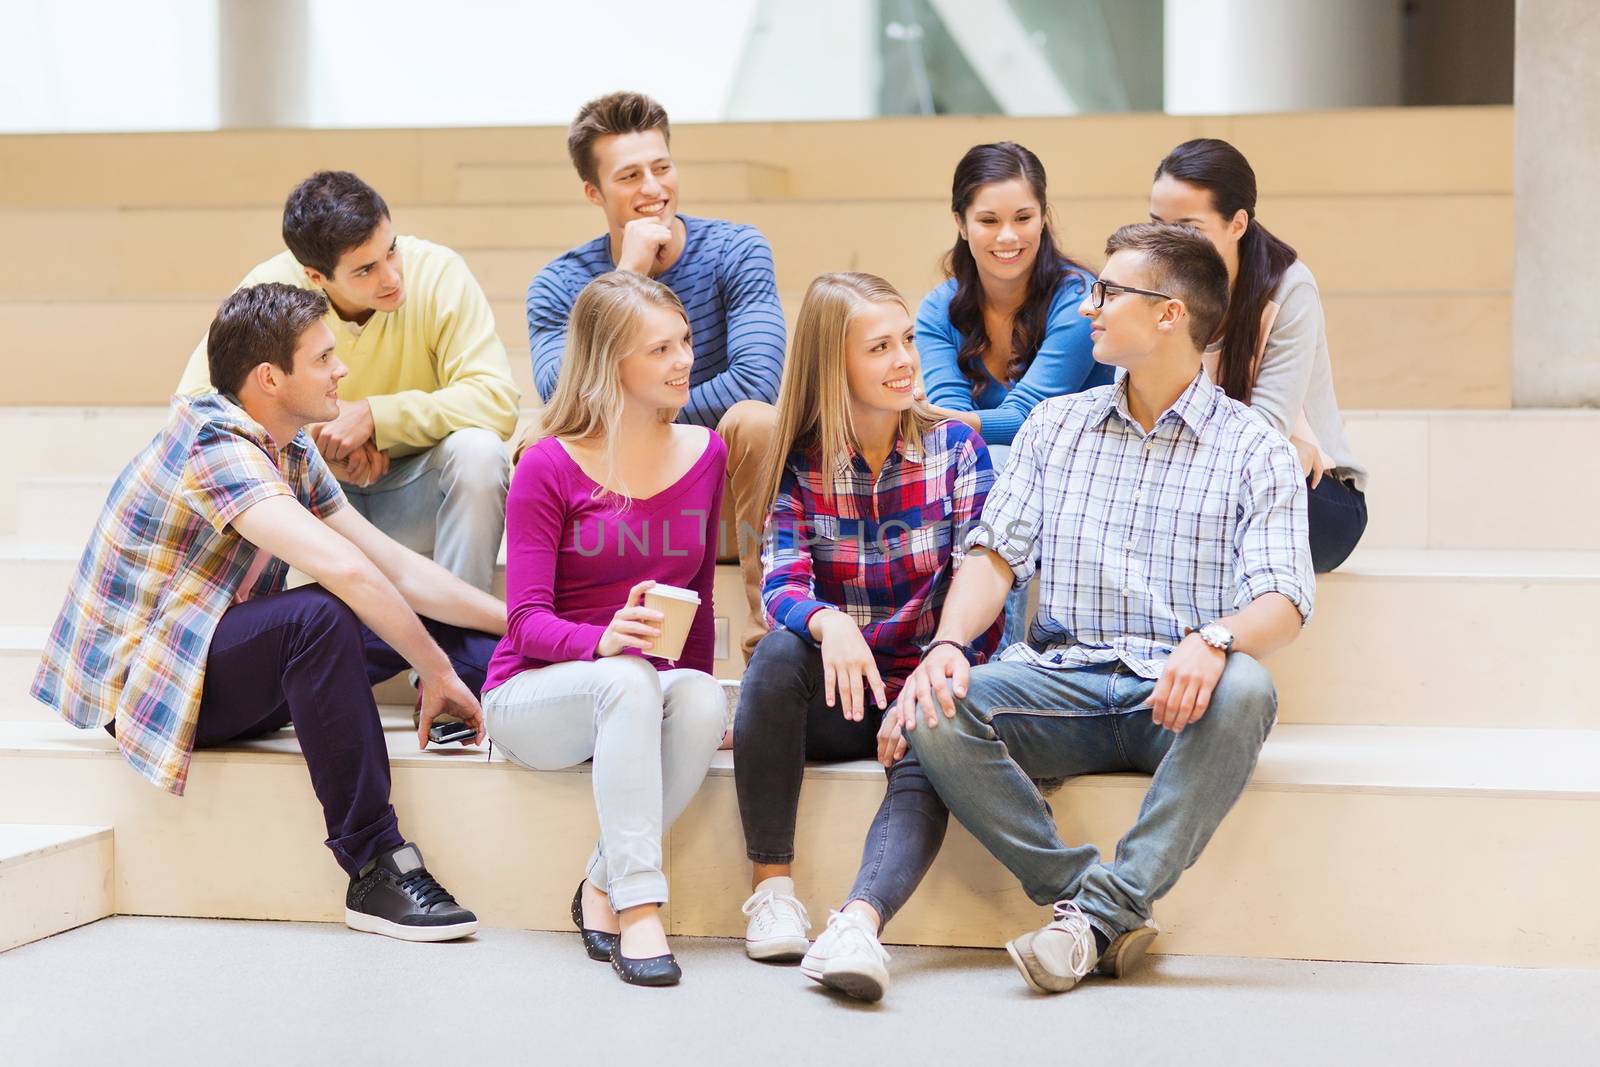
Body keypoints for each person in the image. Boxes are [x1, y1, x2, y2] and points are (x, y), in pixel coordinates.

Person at [895, 223, 1314, 995]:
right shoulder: (1058, 426)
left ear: (1169, 315)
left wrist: (1216, 639)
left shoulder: (1255, 446)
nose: (1089, 306)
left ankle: (1094, 915)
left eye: (1109, 291)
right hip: (1063, 680)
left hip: (1176, 696)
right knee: (937, 702)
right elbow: (995, 554)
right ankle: (1095, 905)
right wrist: (950, 642)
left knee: (1249, 688)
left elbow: (1285, 599)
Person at [35, 283, 506, 942]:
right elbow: (345, 570)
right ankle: (374, 867)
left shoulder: (288, 442)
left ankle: (531, 687)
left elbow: (395, 567)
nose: (341, 369)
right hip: (158, 685)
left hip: (211, 651)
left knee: (424, 616)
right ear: (268, 378)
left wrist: (526, 627)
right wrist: (434, 670)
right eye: (323, 358)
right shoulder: (212, 444)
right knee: (320, 617)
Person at [732, 272, 1001, 1002]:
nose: (905, 360)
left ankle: (858, 925)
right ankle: (772, 891)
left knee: (940, 719)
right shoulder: (800, 463)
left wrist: (930, 673)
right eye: (880, 347)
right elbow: (782, 583)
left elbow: (982, 596)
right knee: (781, 654)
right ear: (834, 366)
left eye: (907, 339)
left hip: (922, 686)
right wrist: (831, 622)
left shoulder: (958, 451)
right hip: (841, 693)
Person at [484, 271, 728, 988]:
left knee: (705, 702)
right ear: (610, 363)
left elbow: (702, 595)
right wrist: (603, 642)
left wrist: (698, 686)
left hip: (637, 686)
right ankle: (641, 905)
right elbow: (524, 623)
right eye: (660, 350)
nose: (684, 360)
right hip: (532, 694)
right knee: (628, 678)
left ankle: (600, 883)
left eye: (684, 341)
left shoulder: (707, 452)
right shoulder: (547, 465)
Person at [525, 91, 786, 660]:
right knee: (535, 444)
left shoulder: (736, 251)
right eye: (630, 176)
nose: (653, 189)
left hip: (713, 482)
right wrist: (627, 279)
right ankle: (567, 650)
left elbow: (755, 382)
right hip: (610, 486)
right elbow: (567, 401)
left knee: (758, 422)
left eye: (662, 167)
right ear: (594, 192)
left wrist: (652, 419)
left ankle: (766, 647)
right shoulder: (557, 287)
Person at [178, 170, 519, 592]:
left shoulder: (439, 271)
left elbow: (496, 399)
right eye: (365, 270)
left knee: (480, 452)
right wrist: (316, 443)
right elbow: (195, 407)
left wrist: (376, 418)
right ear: (315, 277)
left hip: (417, 495)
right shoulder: (272, 288)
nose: (392, 276)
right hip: (311, 505)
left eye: (392, 250)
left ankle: (462, 641)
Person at [916, 141, 1112, 648]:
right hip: (979, 476)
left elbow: (1031, 418)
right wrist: (960, 427)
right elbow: (951, 423)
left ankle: (994, 661)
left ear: (1044, 216)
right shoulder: (940, 309)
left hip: (1078, 472)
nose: (1008, 236)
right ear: (961, 223)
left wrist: (961, 426)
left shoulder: (1078, 300)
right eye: (988, 220)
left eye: (1023, 217)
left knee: (998, 467)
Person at [1150, 138, 1368, 572]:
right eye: (1158, 223)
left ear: (1237, 224)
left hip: (1314, 497)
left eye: (1189, 228)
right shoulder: (1150, 281)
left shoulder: (1288, 289)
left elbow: (1264, 429)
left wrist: (1290, 445)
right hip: (1192, 483)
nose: (1169, 243)